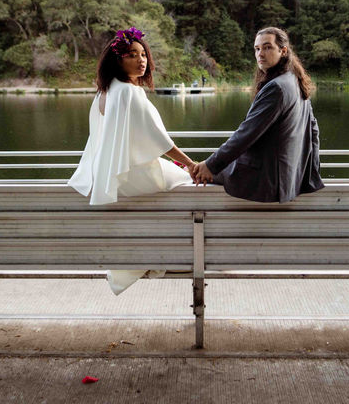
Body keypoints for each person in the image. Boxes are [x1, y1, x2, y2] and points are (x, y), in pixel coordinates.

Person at [68, 27, 196, 294]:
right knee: (189, 184)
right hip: (131, 175)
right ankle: (178, 256)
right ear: (118, 60)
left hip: (111, 176)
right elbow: (161, 142)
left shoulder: (107, 91)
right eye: (131, 55)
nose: (141, 60)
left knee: (169, 191)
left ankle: (155, 256)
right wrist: (192, 165)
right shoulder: (129, 92)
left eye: (143, 55)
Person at [191, 27, 324, 202]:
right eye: (257, 49)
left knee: (197, 173)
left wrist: (210, 165)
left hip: (267, 181)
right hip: (289, 178)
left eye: (268, 47)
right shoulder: (293, 79)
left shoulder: (276, 87)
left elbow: (245, 134)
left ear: (283, 51)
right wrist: (308, 174)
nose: (260, 53)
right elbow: (313, 129)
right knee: (205, 168)